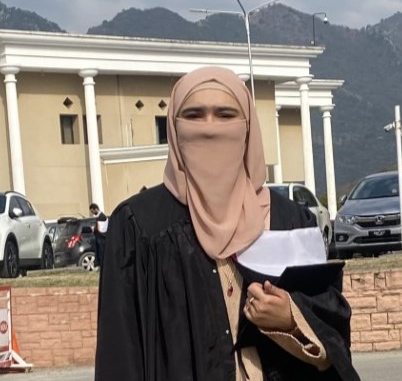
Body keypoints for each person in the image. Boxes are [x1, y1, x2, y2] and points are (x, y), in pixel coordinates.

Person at [95, 66, 360, 380]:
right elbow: (120, 352)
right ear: (174, 129)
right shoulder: (139, 225)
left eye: (225, 115)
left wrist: (292, 318)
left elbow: (332, 328)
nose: (210, 128)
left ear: (248, 128)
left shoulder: (289, 220)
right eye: (193, 115)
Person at [89, 203, 108, 269]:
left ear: (95, 209)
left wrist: (94, 229)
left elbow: (101, 229)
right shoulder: (100, 216)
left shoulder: (101, 217)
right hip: (100, 238)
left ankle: (103, 266)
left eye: (92, 211)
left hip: (101, 238)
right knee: (100, 253)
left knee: (102, 253)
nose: (92, 213)